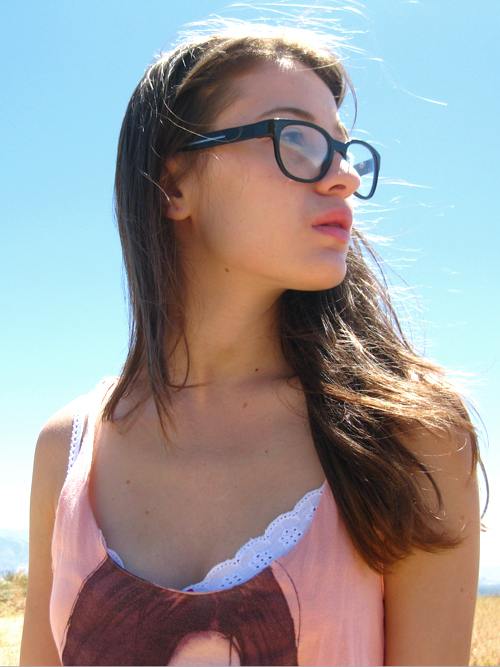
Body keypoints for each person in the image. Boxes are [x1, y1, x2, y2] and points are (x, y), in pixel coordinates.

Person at [20, 17, 488, 666]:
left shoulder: (408, 436)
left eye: (344, 149)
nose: (344, 176)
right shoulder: (68, 451)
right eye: (295, 138)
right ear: (174, 185)